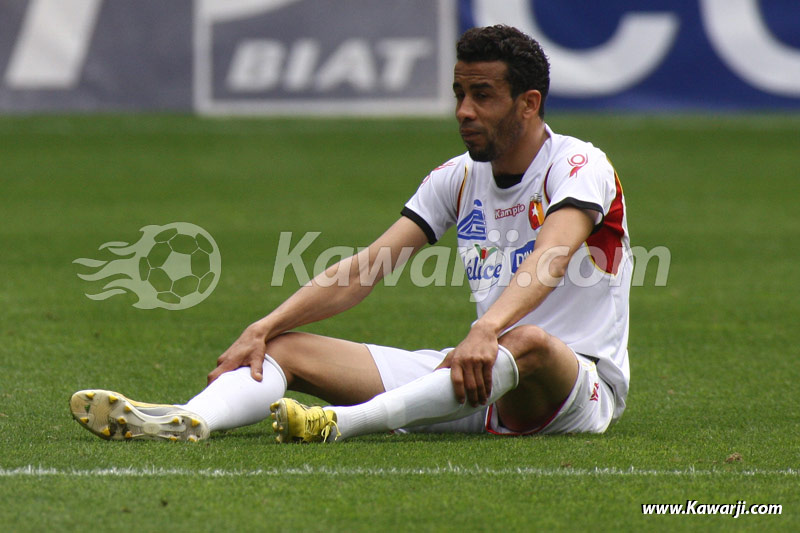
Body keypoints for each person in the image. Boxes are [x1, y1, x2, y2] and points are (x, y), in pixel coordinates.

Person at [70, 25, 632, 444]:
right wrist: (263, 326)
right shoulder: (457, 179)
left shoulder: (580, 165)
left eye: (482, 95)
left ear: (529, 103)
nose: (463, 111)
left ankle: (339, 425)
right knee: (285, 348)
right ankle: (188, 419)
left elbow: (552, 255)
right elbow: (362, 271)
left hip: (572, 385)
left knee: (528, 341)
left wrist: (486, 329)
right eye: (459, 93)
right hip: (475, 370)